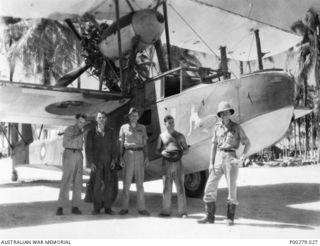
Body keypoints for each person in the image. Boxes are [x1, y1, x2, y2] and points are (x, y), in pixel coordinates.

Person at [198, 101, 250, 225]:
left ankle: (230, 218)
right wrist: (211, 163)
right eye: (222, 113)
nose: (224, 115)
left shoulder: (237, 128)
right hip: (218, 158)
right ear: (220, 115)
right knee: (209, 187)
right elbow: (214, 146)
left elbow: (247, 143)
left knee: (232, 188)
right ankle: (209, 217)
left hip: (231, 158)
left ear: (229, 113)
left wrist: (242, 157)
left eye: (227, 113)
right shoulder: (216, 127)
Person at [118, 107, 150, 216]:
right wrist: (121, 157)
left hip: (140, 155)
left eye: (135, 115)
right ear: (129, 117)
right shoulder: (123, 128)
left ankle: (142, 208)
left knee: (140, 183)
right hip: (128, 154)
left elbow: (145, 144)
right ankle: (124, 208)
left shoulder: (142, 128)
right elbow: (121, 144)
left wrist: (146, 157)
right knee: (126, 183)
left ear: (138, 117)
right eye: (132, 115)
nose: (133, 117)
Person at [156, 115, 189, 218]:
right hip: (166, 163)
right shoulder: (161, 136)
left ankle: (183, 212)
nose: (171, 124)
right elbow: (156, 150)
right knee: (166, 188)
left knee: (180, 188)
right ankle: (166, 211)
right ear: (165, 124)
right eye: (169, 122)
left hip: (178, 163)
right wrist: (163, 152)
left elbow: (187, 149)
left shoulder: (180, 136)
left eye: (173, 122)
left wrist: (178, 153)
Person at [85, 112, 118, 215]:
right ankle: (97, 208)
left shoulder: (111, 132)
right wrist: (91, 162)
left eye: (103, 118)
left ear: (106, 119)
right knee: (96, 186)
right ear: (96, 119)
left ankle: (108, 208)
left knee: (109, 186)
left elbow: (114, 147)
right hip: (97, 163)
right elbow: (88, 148)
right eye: (99, 118)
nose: (101, 119)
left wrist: (113, 160)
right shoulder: (91, 132)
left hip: (108, 162)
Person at [56, 113, 88, 216]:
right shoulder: (70, 129)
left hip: (78, 154)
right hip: (70, 153)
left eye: (83, 122)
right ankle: (60, 206)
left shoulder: (81, 130)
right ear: (76, 121)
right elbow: (67, 142)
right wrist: (82, 134)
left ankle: (75, 206)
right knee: (66, 180)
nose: (81, 124)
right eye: (80, 122)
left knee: (78, 181)